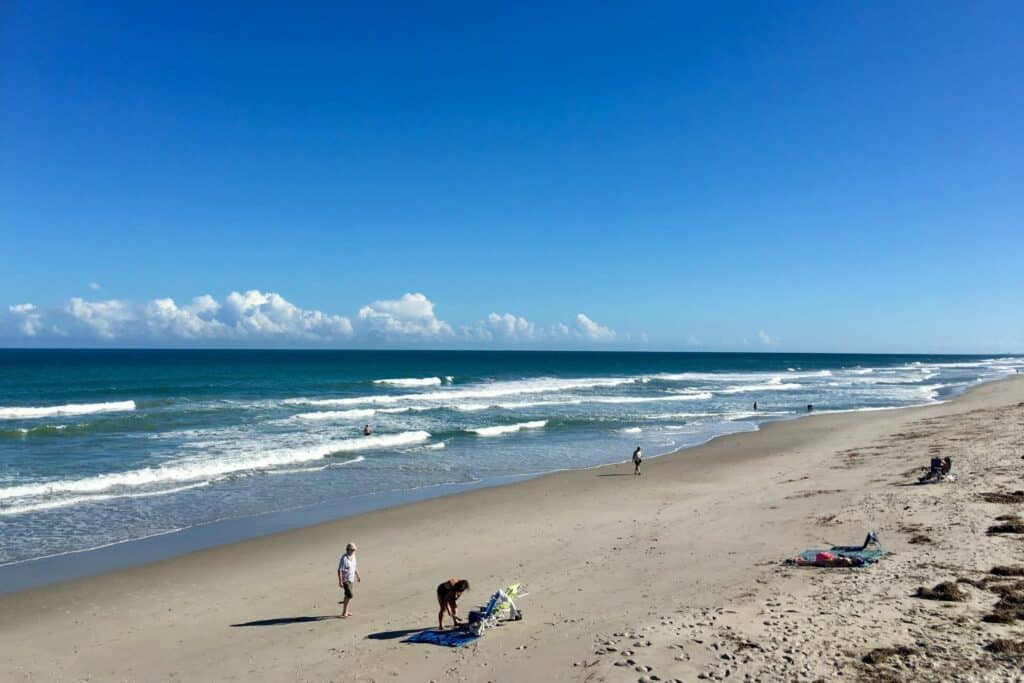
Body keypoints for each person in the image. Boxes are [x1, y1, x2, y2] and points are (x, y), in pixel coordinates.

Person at [337, 542, 361, 618]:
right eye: (352, 550)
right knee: (350, 595)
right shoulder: (344, 558)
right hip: (345, 580)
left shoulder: (353, 556)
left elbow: (354, 567)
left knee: (347, 596)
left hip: (351, 579)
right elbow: (339, 570)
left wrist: (358, 576)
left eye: (354, 550)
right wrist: (340, 581)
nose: (354, 551)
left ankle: (345, 611)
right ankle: (345, 612)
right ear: (348, 550)